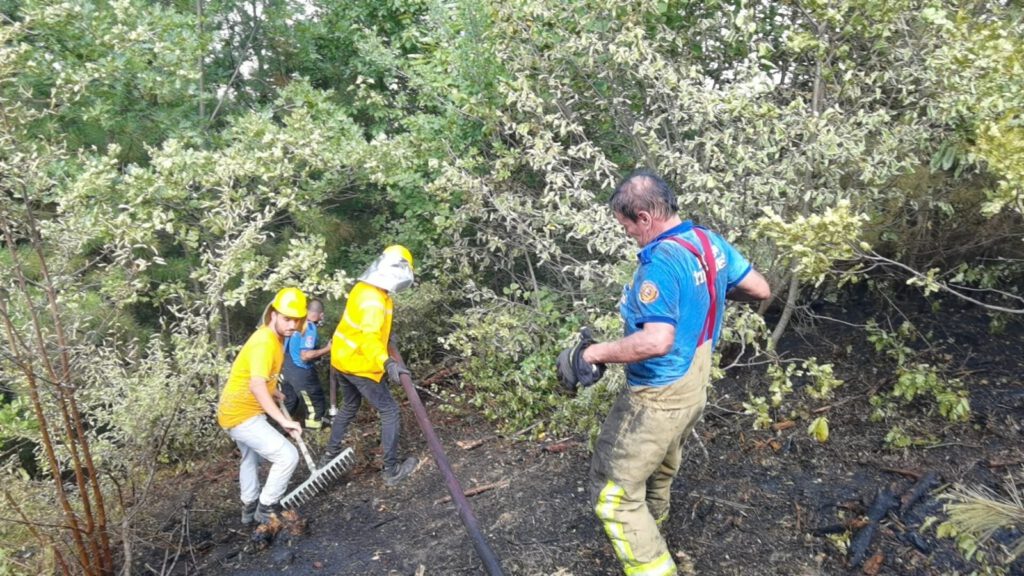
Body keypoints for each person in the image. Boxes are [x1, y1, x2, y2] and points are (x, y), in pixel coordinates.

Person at [556, 169, 770, 576]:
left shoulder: (660, 264)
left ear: (644, 217)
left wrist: (594, 353)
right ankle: (654, 530)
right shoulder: (708, 242)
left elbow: (656, 341)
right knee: (659, 468)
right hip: (694, 388)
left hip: (657, 395)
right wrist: (707, 292)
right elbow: (759, 288)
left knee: (613, 495)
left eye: (627, 227)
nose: (628, 235)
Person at [323, 245, 420, 485]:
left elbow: (368, 328)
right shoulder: (374, 300)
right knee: (389, 410)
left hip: (342, 359)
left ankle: (329, 455)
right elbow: (369, 337)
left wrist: (387, 338)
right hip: (360, 363)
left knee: (350, 405)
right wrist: (387, 362)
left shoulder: (364, 287)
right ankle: (391, 470)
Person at [217, 287, 308, 525]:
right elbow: (256, 385)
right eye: (287, 318)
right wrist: (284, 420)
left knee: (251, 458)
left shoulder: (275, 338)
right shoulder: (265, 343)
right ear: (273, 315)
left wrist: (273, 390)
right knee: (287, 456)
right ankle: (266, 508)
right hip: (241, 413)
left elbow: (257, 378)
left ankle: (249, 507)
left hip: (233, 408)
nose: (292, 325)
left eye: (297, 320)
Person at [281, 298, 332, 429]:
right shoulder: (309, 327)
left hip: (286, 368)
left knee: (289, 402)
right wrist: (328, 349)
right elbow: (305, 355)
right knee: (315, 403)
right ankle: (313, 432)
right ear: (321, 315)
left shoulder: (296, 323)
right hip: (300, 371)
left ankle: (276, 431)